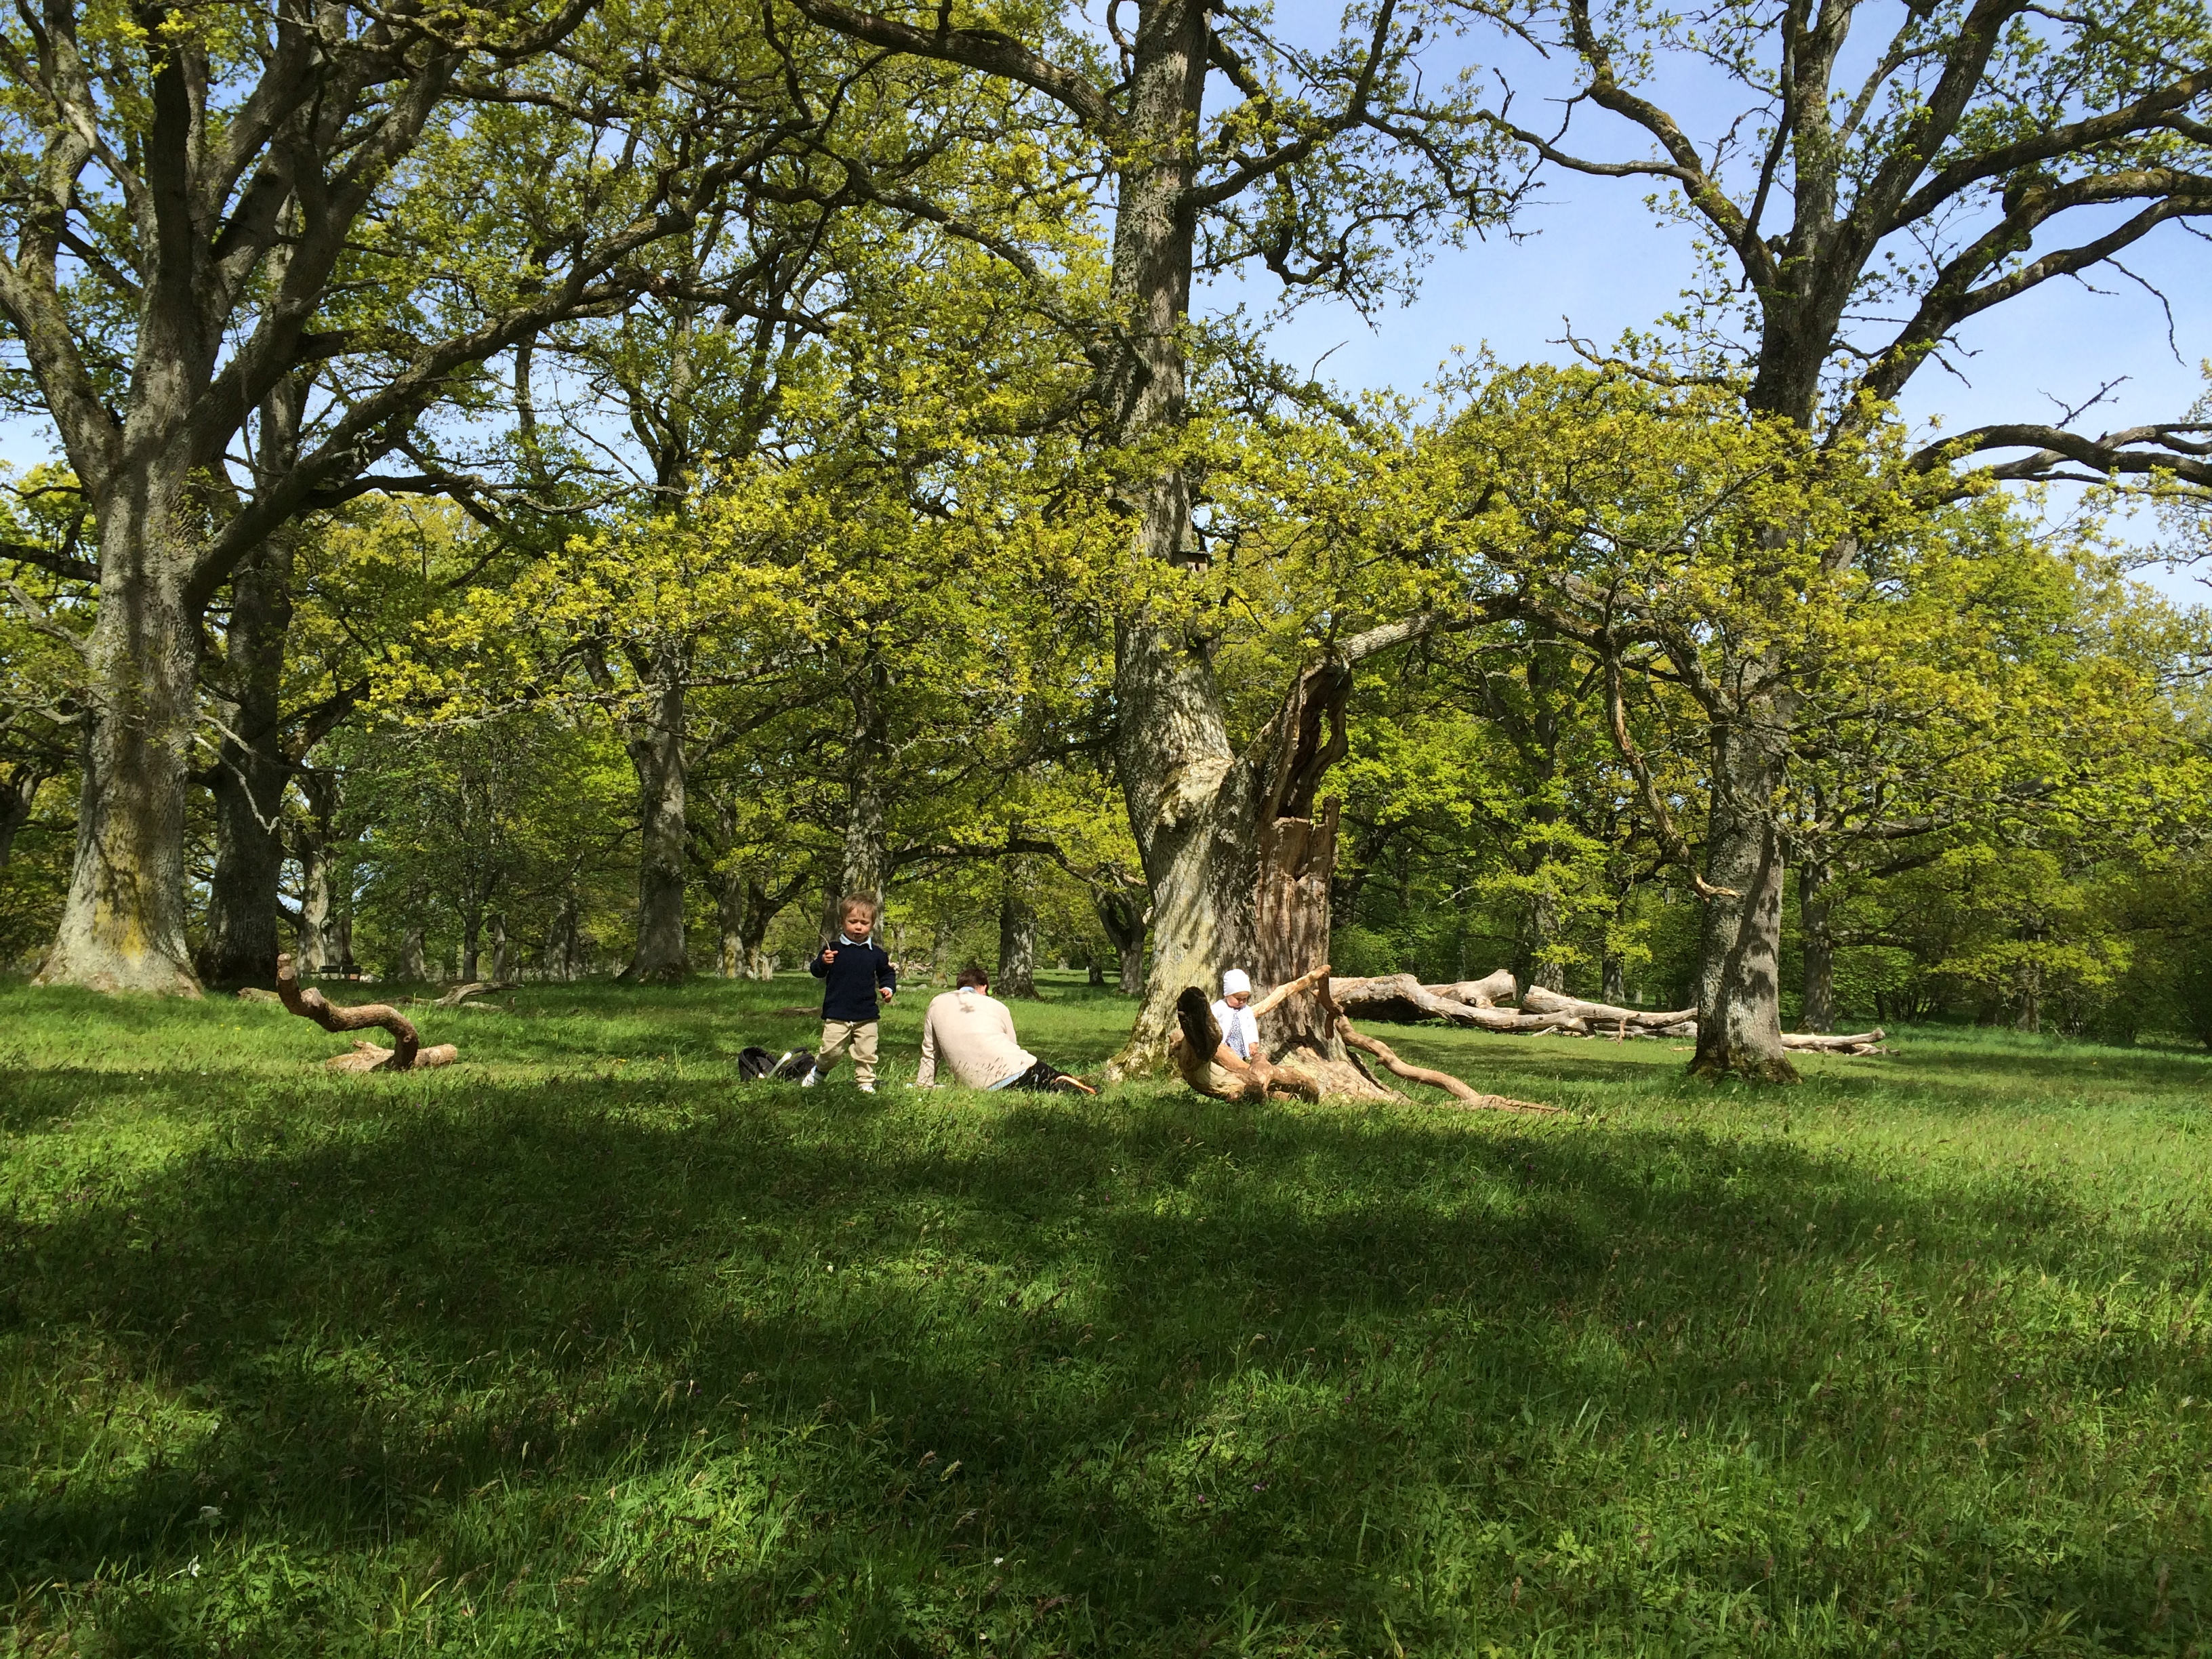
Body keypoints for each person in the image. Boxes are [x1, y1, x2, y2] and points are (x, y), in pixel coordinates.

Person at [916, 965, 1097, 1094]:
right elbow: (1012, 1044)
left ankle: (1053, 1088)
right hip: (1012, 1070)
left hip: (973, 1084)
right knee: (1055, 1077)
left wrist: (924, 1085)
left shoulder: (937, 1003)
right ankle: (1084, 1089)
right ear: (984, 987)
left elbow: (930, 1052)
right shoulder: (996, 1005)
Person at [800, 895, 897, 1092]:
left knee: (866, 1052)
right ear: (842, 922)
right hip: (838, 1012)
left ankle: (865, 1082)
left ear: (872, 924)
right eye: (853, 922)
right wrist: (822, 962)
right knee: (831, 1051)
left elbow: (887, 973)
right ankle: (818, 1072)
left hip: (867, 1014)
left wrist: (888, 988)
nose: (858, 927)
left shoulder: (876, 953)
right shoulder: (833, 950)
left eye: (864, 923)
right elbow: (816, 970)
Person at [1211, 968, 1261, 1067]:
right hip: (1225, 1043)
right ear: (1227, 995)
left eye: (1245, 999)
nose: (1241, 1002)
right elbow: (1210, 1017)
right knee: (1225, 1061)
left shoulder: (1246, 1010)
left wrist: (1253, 1042)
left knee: (1239, 1062)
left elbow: (1252, 1026)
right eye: (1238, 999)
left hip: (1240, 1043)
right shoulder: (1220, 1006)